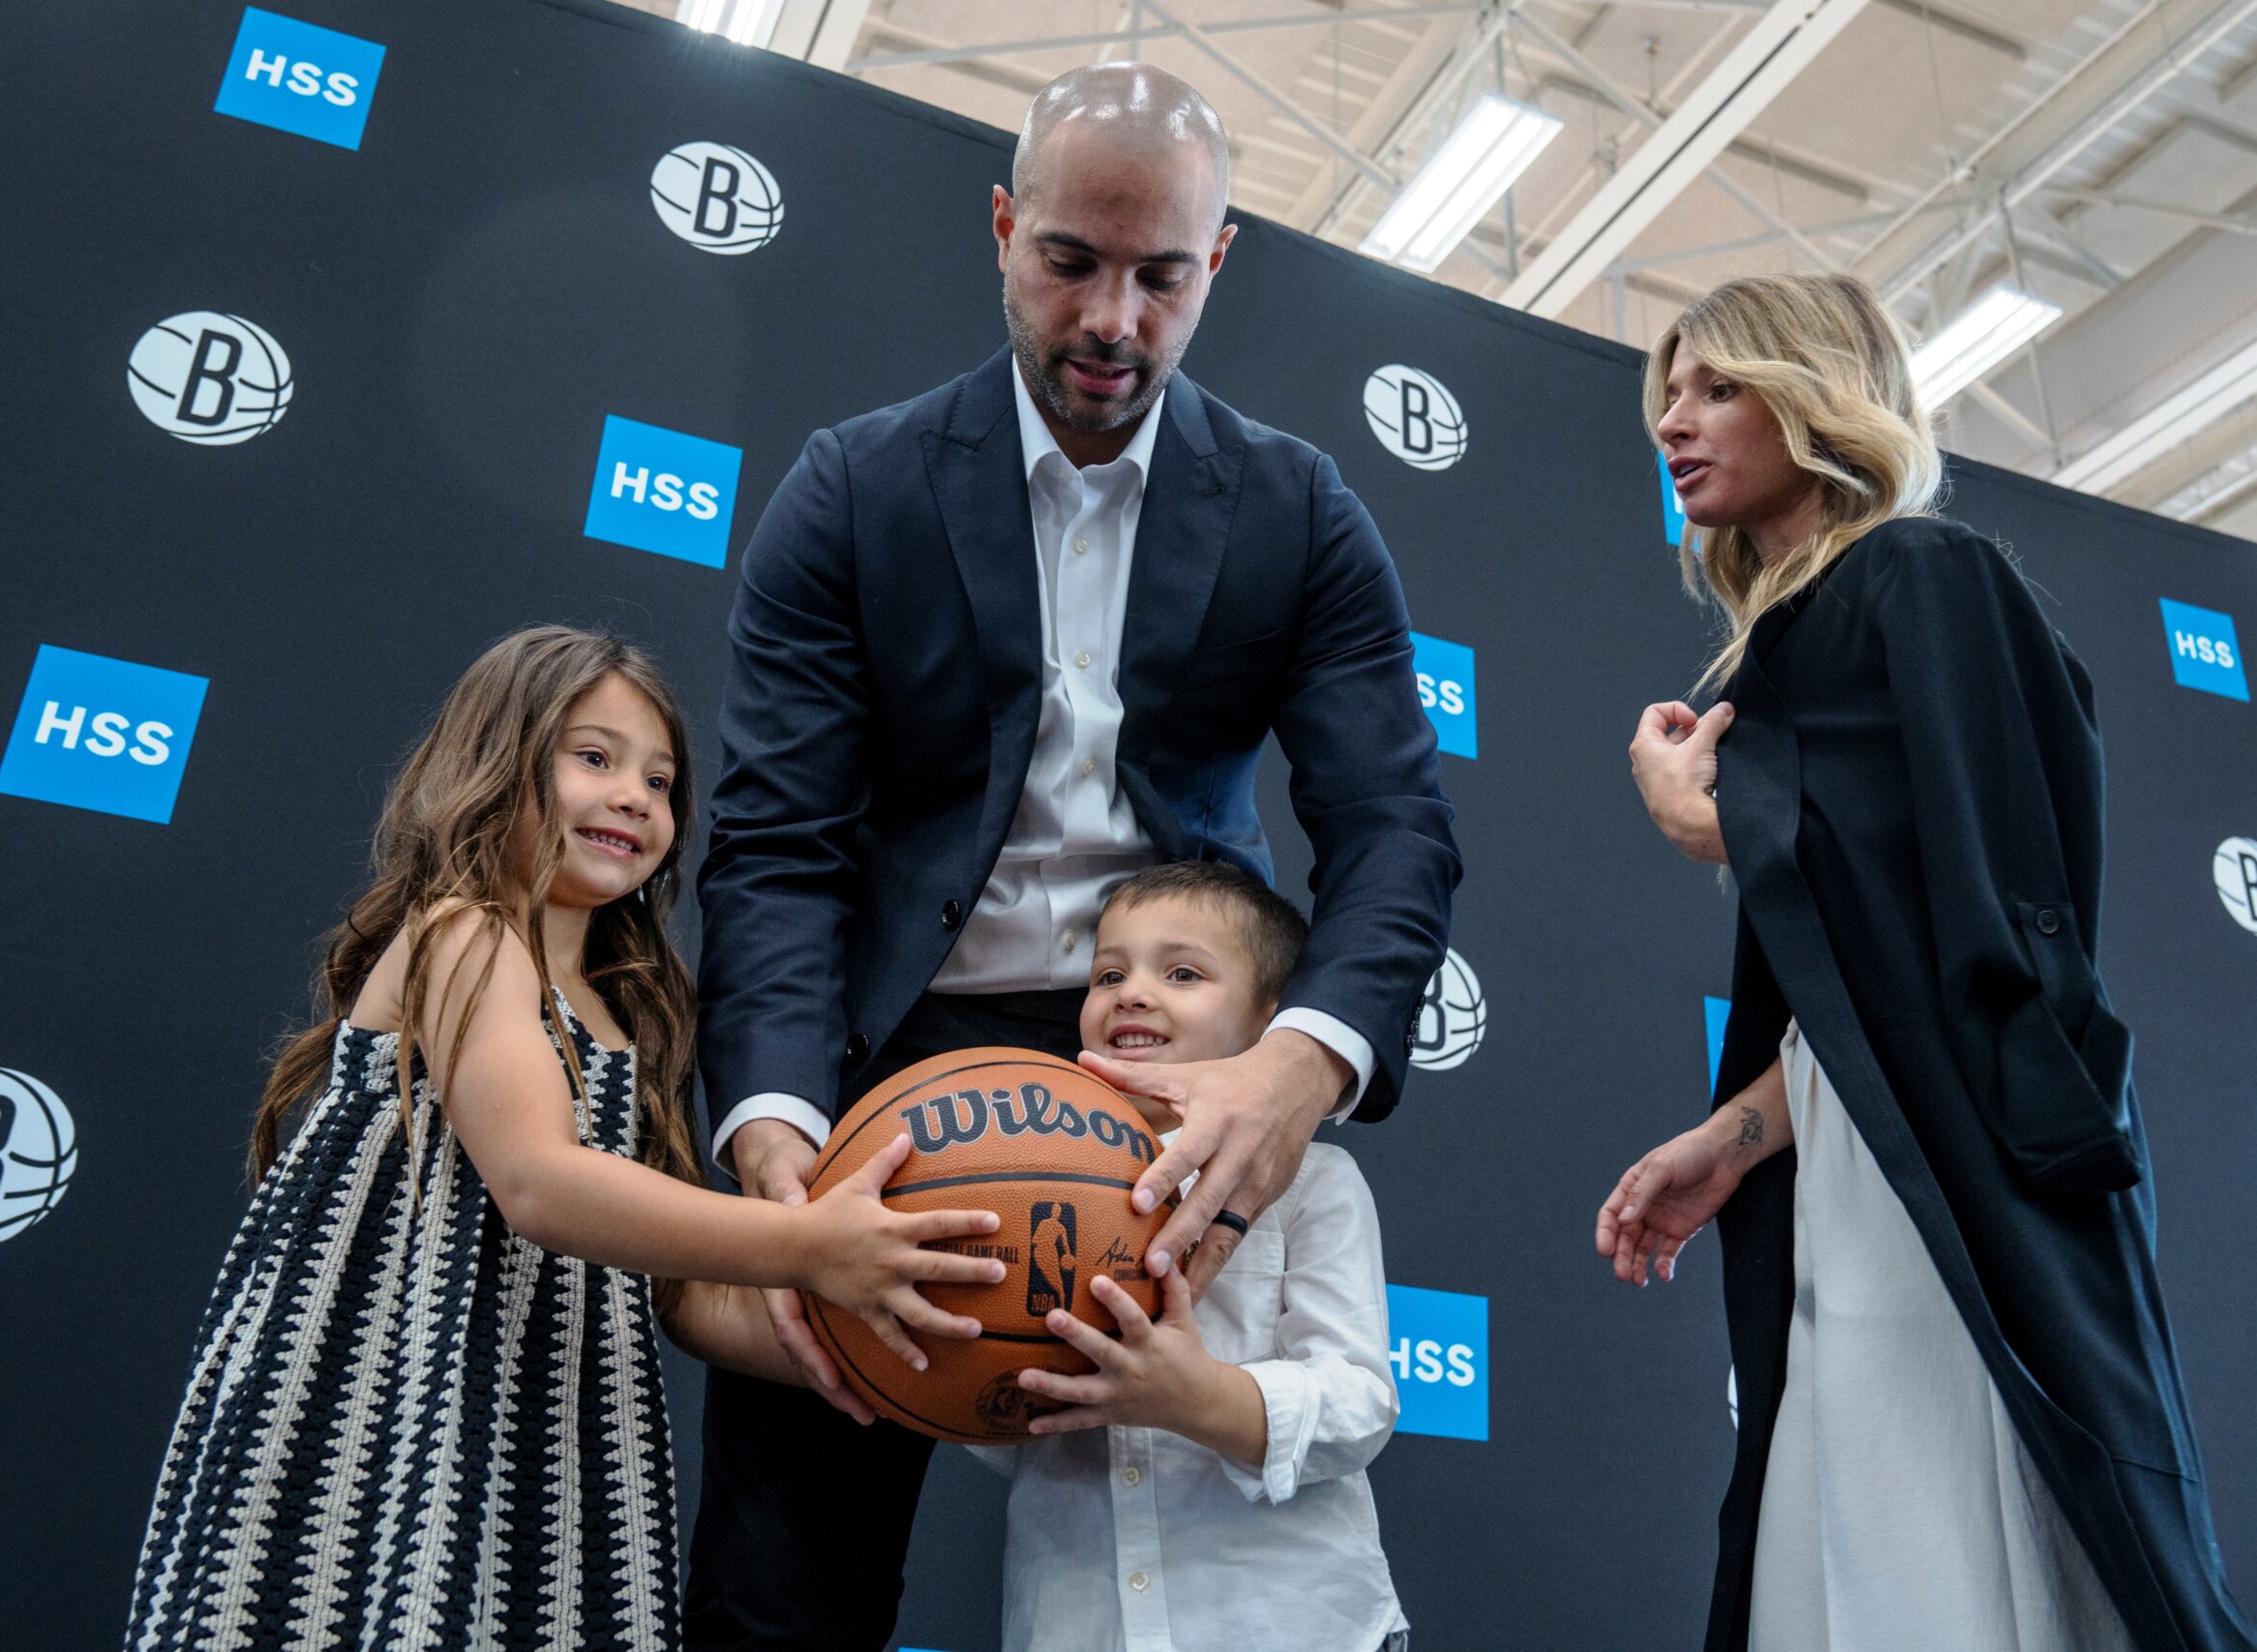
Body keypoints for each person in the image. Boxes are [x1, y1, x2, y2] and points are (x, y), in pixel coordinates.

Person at [687, 61, 1459, 1652]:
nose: (1113, 316)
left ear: (1219, 260)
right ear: (999, 229)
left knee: (1195, 1549)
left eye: (1161, 276)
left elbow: (1393, 829)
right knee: (788, 1570)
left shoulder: (1302, 511)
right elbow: (776, 850)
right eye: (1070, 262)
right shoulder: (853, 488)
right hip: (900, 1062)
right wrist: (771, 1128)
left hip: (1180, 1069)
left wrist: (1299, 1063)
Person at [1595, 275, 2257, 1652]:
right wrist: (1733, 1138)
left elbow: (1988, 916)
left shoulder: (1922, 571)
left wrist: (1701, 813)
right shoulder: (1791, 641)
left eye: (1718, 385)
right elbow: (1865, 978)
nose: (1675, 418)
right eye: (1670, 389)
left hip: (1957, 1195)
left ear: (1817, 390)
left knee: (1945, 1542)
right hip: (1862, 1189)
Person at [122, 626, 1004, 1652]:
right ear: (494, 763)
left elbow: (685, 1292)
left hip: (537, 1437)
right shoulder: (462, 937)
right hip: (382, 1415)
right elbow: (541, 1182)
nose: (634, 794)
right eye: (593, 758)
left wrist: (897, 1331)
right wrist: (815, 1244)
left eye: (661, 779)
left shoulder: (641, 1011)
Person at [975, 861, 1406, 1652]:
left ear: (1272, 1028)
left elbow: (1358, 1405)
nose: (1131, 992)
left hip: (1290, 1623)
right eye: (1109, 972)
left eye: (1181, 971)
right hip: (1078, 1621)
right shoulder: (1017, 1193)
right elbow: (996, 1413)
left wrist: (1196, 1396)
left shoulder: (1316, 1181)